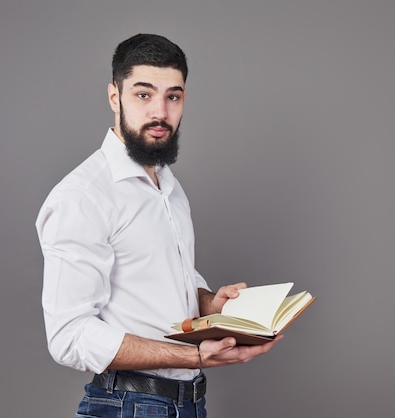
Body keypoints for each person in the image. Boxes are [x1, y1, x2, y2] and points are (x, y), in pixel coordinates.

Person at [35, 33, 281, 418]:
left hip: (188, 403)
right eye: (143, 94)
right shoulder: (83, 195)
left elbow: (164, 276)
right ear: (115, 97)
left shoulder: (168, 184)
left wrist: (208, 303)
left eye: (173, 96)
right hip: (127, 405)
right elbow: (69, 336)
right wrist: (193, 354)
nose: (161, 113)